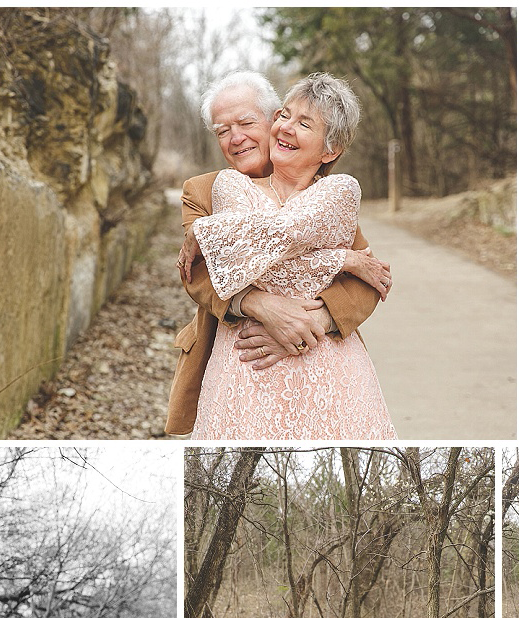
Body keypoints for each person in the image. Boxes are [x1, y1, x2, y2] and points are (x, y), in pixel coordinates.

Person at [165, 71, 387, 438]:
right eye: (222, 131)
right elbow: (199, 274)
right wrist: (258, 305)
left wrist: (314, 323)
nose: (235, 139)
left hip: (324, 357)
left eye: (246, 123)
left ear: (270, 117)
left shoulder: (330, 198)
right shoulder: (204, 190)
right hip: (243, 352)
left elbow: (368, 281)